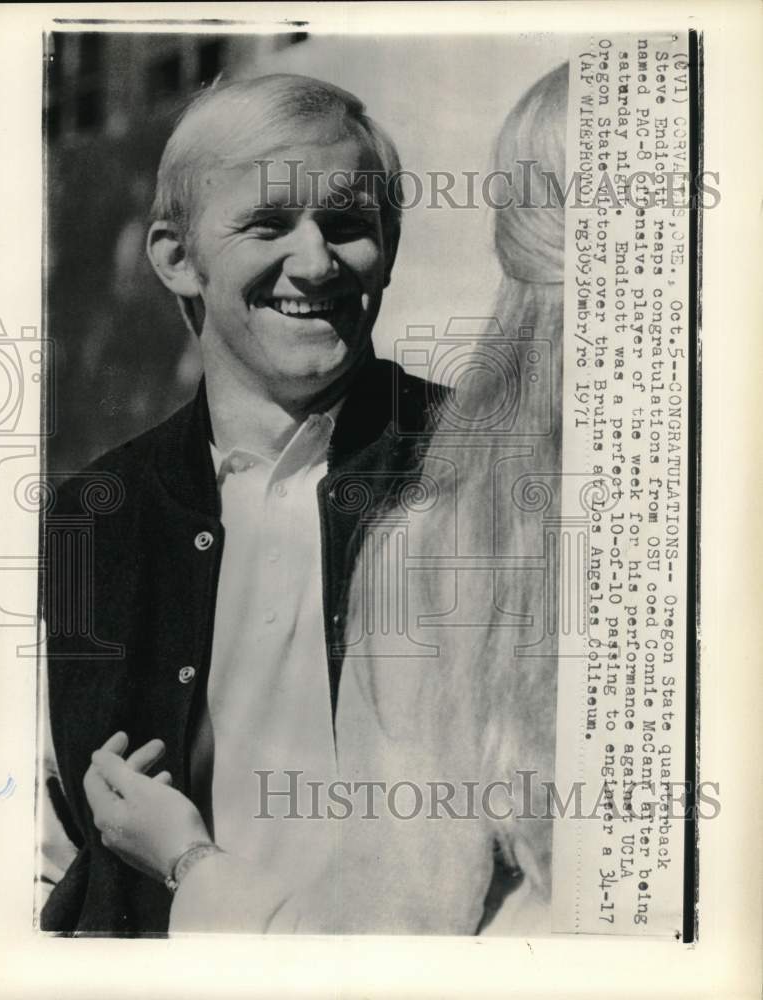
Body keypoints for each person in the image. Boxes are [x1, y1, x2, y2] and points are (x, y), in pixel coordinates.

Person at [41, 63, 569, 936]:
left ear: (390, 248)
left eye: (350, 223)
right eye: (269, 224)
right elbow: (47, 824)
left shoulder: (483, 482)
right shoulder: (94, 515)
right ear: (177, 258)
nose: (317, 261)